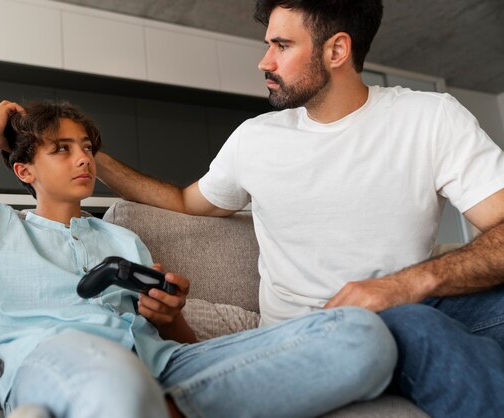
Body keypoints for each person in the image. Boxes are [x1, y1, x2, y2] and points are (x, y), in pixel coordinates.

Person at [93, 1, 504, 417]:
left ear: (337, 51)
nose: (264, 61)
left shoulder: (430, 117)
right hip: (327, 335)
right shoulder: (254, 140)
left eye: (282, 45)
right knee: (419, 328)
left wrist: (407, 285)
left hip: (412, 305)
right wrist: (93, 159)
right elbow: (184, 201)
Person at [0, 100, 396, 418]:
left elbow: (175, 341)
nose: (83, 158)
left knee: (359, 335)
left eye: (86, 147)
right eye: (61, 149)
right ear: (24, 171)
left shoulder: (121, 240)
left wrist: (171, 319)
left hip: (165, 365)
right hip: (61, 357)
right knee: (115, 380)